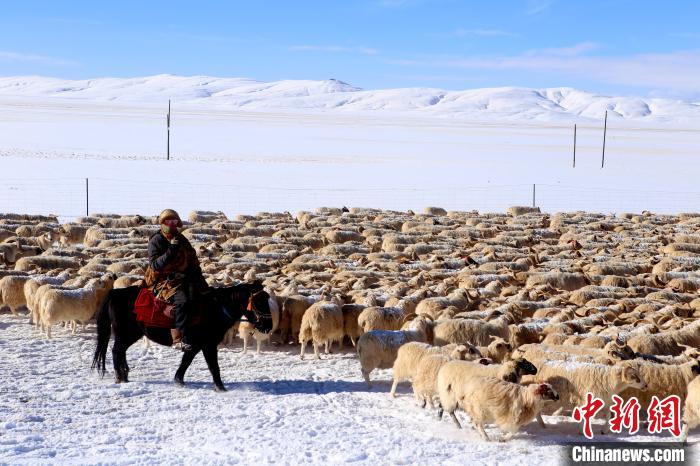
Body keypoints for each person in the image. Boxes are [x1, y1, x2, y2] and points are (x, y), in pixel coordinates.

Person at [145, 209, 208, 351]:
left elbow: (192, 259)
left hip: (186, 278)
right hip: (164, 281)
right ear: (163, 222)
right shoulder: (156, 240)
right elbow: (155, 265)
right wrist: (171, 249)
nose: (172, 224)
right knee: (183, 300)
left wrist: (202, 282)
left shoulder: (182, 239)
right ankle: (177, 339)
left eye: (174, 221)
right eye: (169, 221)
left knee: (205, 297)